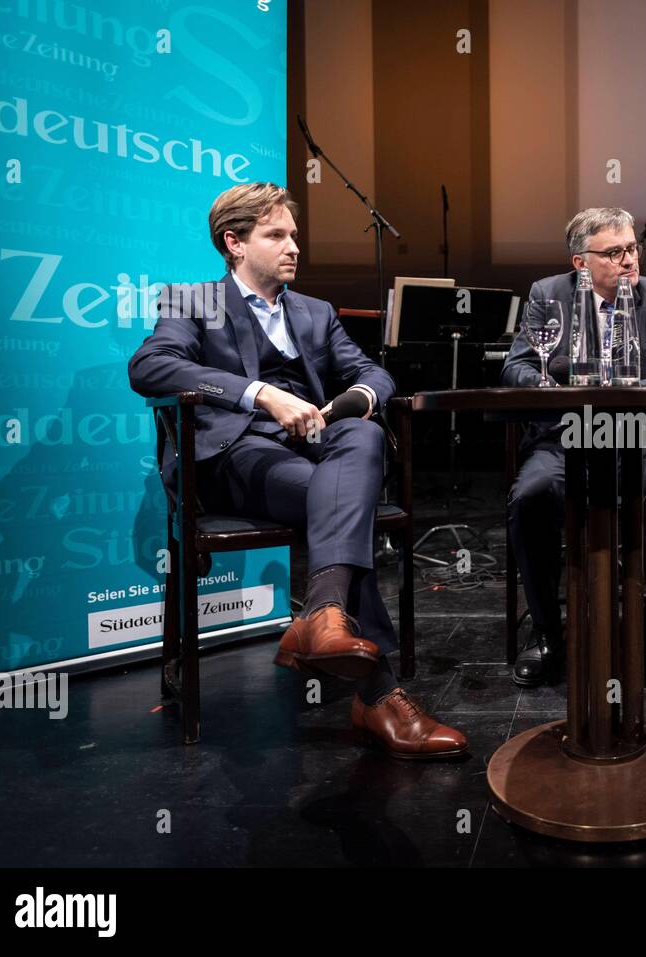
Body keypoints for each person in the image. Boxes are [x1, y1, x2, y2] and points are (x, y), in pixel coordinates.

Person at [129, 183, 467, 760]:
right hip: (233, 457)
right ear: (234, 243)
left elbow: (373, 374)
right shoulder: (195, 301)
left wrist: (351, 400)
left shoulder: (314, 311)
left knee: (360, 433)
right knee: (339, 500)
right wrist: (260, 395)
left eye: (294, 236)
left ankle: (322, 615)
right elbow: (150, 366)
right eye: (276, 236)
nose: (293, 249)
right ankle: (377, 694)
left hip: (313, 453)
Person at [501, 207, 646, 687]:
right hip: (568, 435)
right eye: (614, 252)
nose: (630, 260)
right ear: (581, 263)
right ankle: (548, 631)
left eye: (633, 248)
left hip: (639, 435)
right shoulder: (548, 294)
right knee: (531, 493)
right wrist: (562, 385)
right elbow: (517, 368)